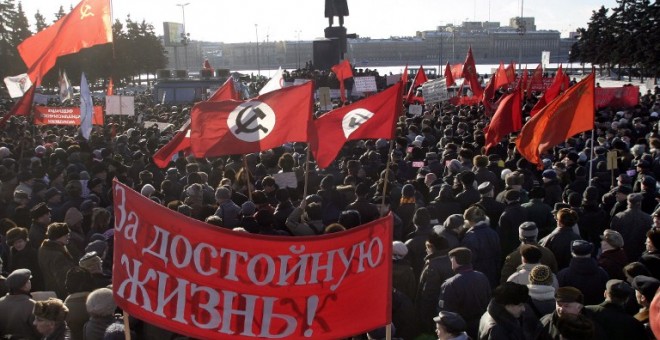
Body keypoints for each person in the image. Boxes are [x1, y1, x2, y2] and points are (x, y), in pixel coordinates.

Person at [438, 247, 491, 339]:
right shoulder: (482, 277)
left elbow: (446, 312)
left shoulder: (450, 284)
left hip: (460, 331)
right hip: (481, 325)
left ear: (454, 261)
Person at [416, 232, 453, 334]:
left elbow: (428, 293)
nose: (426, 250)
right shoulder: (450, 259)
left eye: (427, 247)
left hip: (433, 309)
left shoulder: (433, 266)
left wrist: (423, 314)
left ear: (432, 247)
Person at [479, 282, 543, 340]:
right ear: (507, 305)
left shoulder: (491, 314)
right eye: (520, 305)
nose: (524, 309)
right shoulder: (498, 331)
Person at [557, 240, 609, 306]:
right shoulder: (602, 274)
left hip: (571, 313)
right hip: (595, 313)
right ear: (590, 253)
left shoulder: (563, 275)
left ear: (572, 253)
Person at [460, 205, 501, 287]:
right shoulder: (493, 233)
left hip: (477, 277)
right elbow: (498, 254)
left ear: (468, 220)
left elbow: (469, 260)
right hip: (492, 273)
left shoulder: (470, 237)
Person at [39, 223, 76, 299]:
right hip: (61, 294)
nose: (68, 236)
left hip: (51, 290)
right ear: (58, 236)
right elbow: (63, 279)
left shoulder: (43, 249)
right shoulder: (58, 256)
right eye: (66, 234)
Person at [611, 193, 652, 262]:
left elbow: (612, 233)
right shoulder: (648, 218)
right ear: (640, 203)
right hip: (639, 253)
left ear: (628, 202)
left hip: (621, 252)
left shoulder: (618, 216)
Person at [0, 269, 40, 339]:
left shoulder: (1, 302)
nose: (30, 282)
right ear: (24, 286)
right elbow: (39, 332)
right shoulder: (32, 305)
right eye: (28, 280)